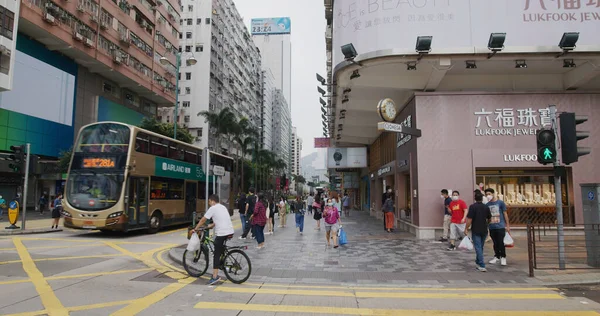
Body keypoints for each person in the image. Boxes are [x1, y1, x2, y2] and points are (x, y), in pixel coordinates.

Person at [193, 194, 235, 285]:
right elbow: (219, 220)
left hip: (222, 233)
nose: (209, 203)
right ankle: (222, 262)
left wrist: (196, 228)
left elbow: (203, 220)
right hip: (230, 231)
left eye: (209, 202)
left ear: (212, 201)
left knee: (216, 254)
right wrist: (210, 226)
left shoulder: (213, 208)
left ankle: (215, 277)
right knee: (220, 249)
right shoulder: (223, 207)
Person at [465, 192, 492, 272]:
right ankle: (478, 261)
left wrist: (466, 228)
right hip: (484, 229)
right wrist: (487, 224)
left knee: (478, 247)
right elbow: (489, 218)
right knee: (480, 246)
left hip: (476, 229)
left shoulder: (473, 207)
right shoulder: (486, 207)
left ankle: (482, 264)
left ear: (475, 198)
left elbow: (469, 219)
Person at [485, 188, 511, 266]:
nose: (488, 196)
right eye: (486, 194)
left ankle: (503, 257)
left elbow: (505, 214)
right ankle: (497, 256)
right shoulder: (487, 205)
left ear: (493, 194)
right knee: (495, 243)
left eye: (489, 194)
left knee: (500, 242)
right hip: (492, 226)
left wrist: (508, 225)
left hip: (500, 226)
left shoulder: (500, 203)